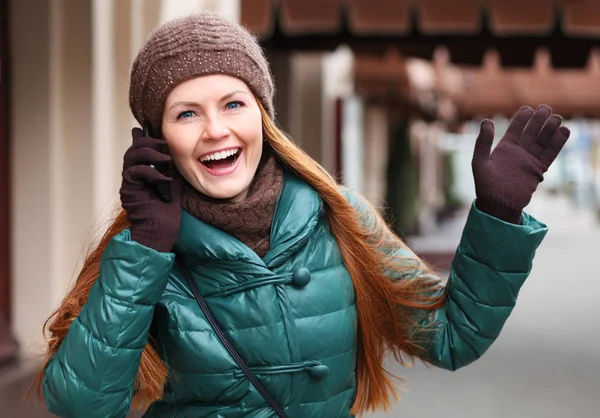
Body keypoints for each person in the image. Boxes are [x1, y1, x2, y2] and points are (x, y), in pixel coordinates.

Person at [32, 11, 570, 418]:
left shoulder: (340, 215)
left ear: (263, 115)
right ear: (156, 138)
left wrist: (498, 216)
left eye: (233, 103)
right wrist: (148, 248)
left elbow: (452, 337)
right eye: (186, 113)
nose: (215, 129)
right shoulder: (145, 246)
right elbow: (80, 404)